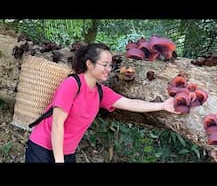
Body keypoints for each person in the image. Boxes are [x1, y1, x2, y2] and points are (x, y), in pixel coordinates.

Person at [25, 42, 181, 163]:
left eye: (110, 65)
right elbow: (57, 125)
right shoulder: (72, 84)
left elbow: (129, 103)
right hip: (42, 147)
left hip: (67, 153)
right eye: (105, 65)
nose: (109, 69)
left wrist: (162, 105)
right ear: (89, 64)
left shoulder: (101, 92)